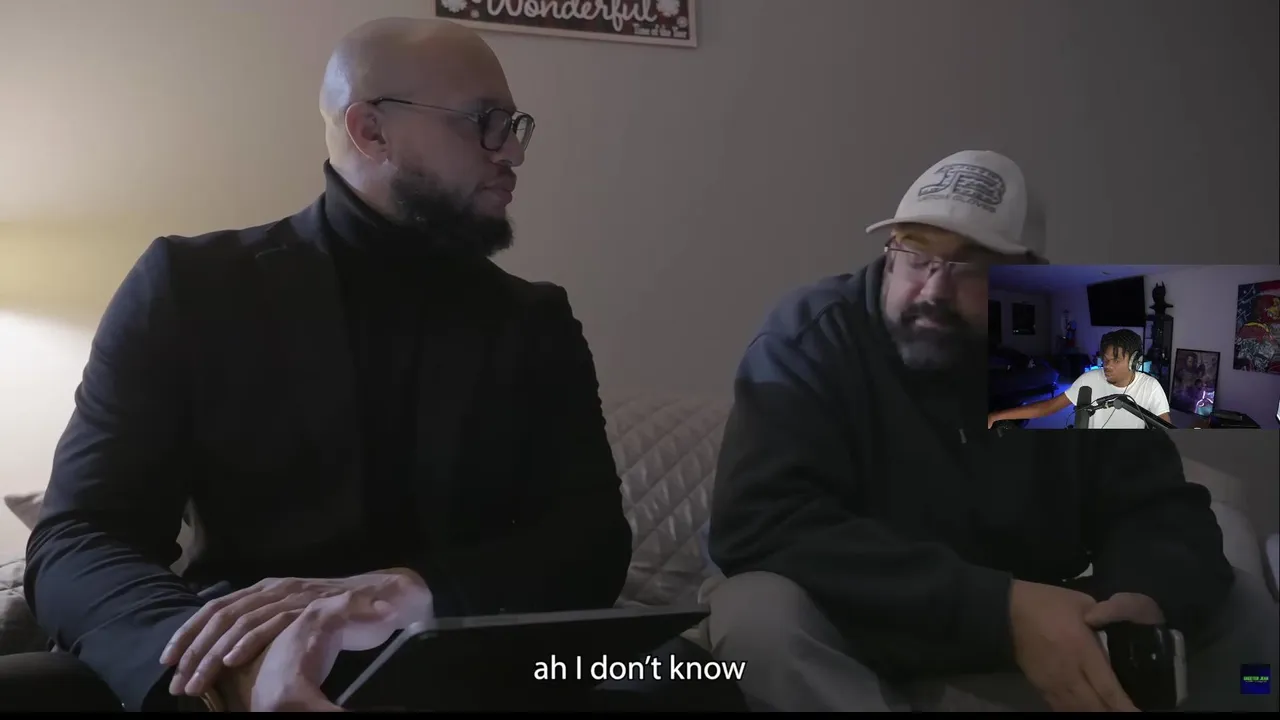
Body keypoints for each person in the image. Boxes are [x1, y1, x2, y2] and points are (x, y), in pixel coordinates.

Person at [5, 17, 649, 712]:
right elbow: (79, 536)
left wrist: (410, 592)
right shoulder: (190, 287)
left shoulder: (533, 321)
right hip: (227, 681)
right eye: (486, 122)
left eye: (515, 126)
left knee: (695, 677)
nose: (512, 152)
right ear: (371, 130)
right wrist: (220, 668)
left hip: (468, 670)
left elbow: (591, 544)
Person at [700, 150, 1277, 711]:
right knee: (756, 616)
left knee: (1244, 606)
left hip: (1034, 622)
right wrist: (1000, 609)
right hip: (868, 619)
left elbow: (1159, 508)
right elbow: (759, 519)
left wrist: (1141, 597)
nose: (932, 292)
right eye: (914, 254)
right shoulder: (814, 337)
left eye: (970, 267)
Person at [987, 329, 1172, 429]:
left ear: (1135, 362)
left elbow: (1166, 429)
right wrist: (997, 415)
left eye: (1116, 360)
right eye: (1105, 359)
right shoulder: (1089, 380)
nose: (1107, 365)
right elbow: (1049, 407)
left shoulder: (1151, 387)